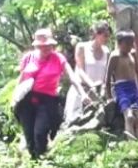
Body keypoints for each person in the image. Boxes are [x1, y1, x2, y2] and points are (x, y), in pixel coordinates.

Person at [15, 28, 91, 159]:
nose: (46, 48)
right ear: (37, 46)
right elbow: (21, 79)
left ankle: (42, 157)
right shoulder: (28, 58)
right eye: (43, 46)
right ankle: (35, 163)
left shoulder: (58, 58)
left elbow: (72, 77)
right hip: (27, 101)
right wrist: (15, 100)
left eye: (49, 45)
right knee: (29, 136)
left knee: (40, 132)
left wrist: (82, 93)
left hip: (47, 100)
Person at [64, 22, 111, 124]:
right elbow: (80, 70)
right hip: (82, 89)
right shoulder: (82, 47)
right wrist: (92, 85)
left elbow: (106, 72)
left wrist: (102, 87)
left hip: (98, 92)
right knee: (75, 121)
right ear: (96, 34)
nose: (107, 38)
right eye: (105, 36)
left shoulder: (106, 51)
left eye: (108, 36)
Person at [105, 31, 138, 142]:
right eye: (127, 44)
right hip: (121, 88)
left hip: (133, 87)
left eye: (131, 43)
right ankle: (133, 147)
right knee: (129, 116)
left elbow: (136, 73)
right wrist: (109, 97)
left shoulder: (132, 54)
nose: (130, 46)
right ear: (119, 43)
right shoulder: (114, 56)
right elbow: (107, 78)